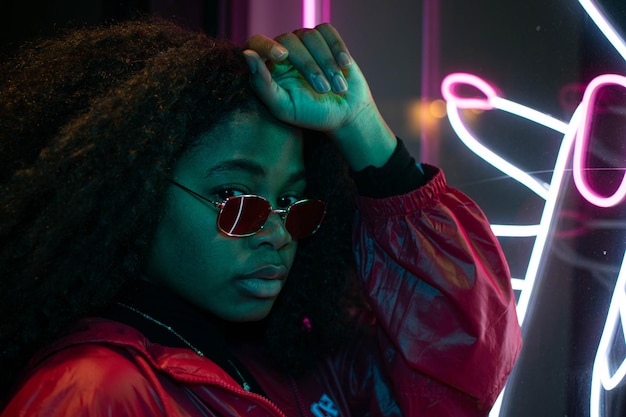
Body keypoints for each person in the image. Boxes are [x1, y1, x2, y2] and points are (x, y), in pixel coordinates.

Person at [0, 17, 521, 416]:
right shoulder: (95, 393)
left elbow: (462, 361)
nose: (275, 232)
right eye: (234, 196)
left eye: (294, 204)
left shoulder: (292, 355)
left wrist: (362, 128)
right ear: (136, 194)